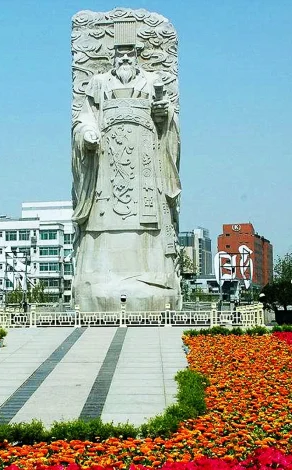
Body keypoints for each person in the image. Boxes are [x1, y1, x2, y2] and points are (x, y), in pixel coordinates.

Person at [71, 19, 181, 312]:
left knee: (149, 217)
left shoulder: (152, 81)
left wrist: (163, 113)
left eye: (129, 52)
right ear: (112, 55)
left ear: (136, 53)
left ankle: (154, 277)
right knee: (102, 215)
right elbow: (85, 117)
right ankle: (96, 280)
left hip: (145, 164)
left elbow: (167, 123)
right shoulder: (99, 83)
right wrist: (87, 134)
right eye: (119, 52)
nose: (124, 57)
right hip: (106, 162)